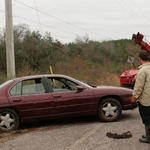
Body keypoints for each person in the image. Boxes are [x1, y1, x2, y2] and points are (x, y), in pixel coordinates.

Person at [132, 50, 150, 144]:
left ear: (140, 59)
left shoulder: (142, 70)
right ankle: (148, 135)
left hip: (146, 101)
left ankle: (149, 138)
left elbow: (138, 87)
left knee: (147, 119)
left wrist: (134, 97)